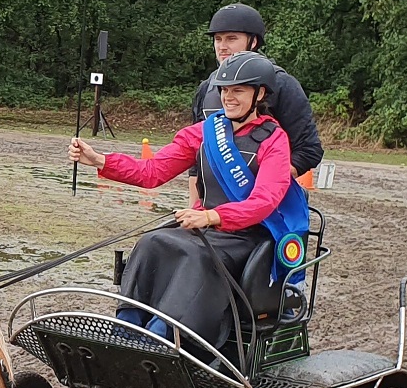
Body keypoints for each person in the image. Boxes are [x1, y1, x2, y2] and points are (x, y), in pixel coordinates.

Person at [69, 52, 307, 353]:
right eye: (224, 90)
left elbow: (264, 201)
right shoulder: (206, 132)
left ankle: (163, 335)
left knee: (197, 256)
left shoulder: (274, 140)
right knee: (152, 242)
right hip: (206, 229)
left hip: (246, 237)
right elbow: (152, 171)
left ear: (259, 94)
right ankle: (126, 327)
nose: (228, 98)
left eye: (238, 90)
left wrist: (210, 216)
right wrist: (100, 160)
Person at [188, 3, 323, 203]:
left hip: (264, 207)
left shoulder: (282, 84)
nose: (222, 46)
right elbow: (196, 157)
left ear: (253, 42)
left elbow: (309, 150)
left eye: (231, 38)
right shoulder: (207, 88)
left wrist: (264, 188)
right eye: (218, 39)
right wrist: (193, 207)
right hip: (211, 208)